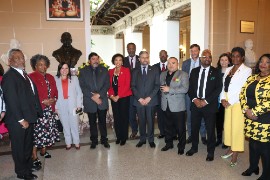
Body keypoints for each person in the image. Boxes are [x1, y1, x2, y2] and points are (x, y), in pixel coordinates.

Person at [2, 49, 43, 179]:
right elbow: (11, 100)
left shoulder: (23, 74)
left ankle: (28, 165)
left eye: (22, 57)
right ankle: (22, 172)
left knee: (27, 145)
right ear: (9, 61)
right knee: (19, 147)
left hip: (28, 117)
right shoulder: (9, 77)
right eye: (16, 58)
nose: (20, 60)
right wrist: (21, 119)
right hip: (17, 120)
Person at [186, 49, 222, 162]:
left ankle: (210, 152)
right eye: (205, 57)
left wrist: (205, 101)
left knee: (210, 130)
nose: (207, 59)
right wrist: (194, 99)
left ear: (211, 59)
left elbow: (218, 89)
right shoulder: (194, 71)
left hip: (209, 105)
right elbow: (190, 88)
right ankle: (194, 147)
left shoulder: (216, 72)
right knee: (194, 127)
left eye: (209, 57)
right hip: (195, 104)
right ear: (201, 58)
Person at [220, 47, 252, 167]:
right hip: (227, 101)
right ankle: (231, 148)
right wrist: (223, 99)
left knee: (237, 129)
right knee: (228, 127)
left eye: (238, 56)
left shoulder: (247, 70)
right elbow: (224, 86)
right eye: (233, 56)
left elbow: (243, 89)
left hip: (238, 102)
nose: (235, 58)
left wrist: (230, 101)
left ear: (242, 57)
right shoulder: (228, 69)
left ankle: (235, 154)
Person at [240, 54, 270, 180]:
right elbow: (242, 93)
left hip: (264, 118)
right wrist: (246, 110)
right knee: (252, 145)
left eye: (267, 62)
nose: (263, 64)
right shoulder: (252, 78)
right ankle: (253, 167)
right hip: (249, 117)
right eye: (261, 61)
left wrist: (255, 112)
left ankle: (267, 175)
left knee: (264, 148)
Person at [29, 54, 60, 167]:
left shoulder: (51, 77)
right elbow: (30, 94)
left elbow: (56, 92)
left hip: (49, 110)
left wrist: (53, 99)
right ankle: (34, 156)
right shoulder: (30, 77)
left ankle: (43, 150)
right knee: (37, 134)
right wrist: (42, 101)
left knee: (47, 131)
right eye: (40, 64)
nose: (43, 67)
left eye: (45, 64)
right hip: (38, 110)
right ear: (35, 66)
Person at [78, 52, 110, 149]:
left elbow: (107, 84)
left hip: (102, 99)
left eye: (97, 59)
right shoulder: (83, 71)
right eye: (93, 59)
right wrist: (93, 97)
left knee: (103, 122)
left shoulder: (104, 70)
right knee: (92, 122)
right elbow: (82, 86)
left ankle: (104, 140)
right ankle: (94, 140)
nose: (95, 61)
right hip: (90, 100)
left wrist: (99, 95)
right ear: (89, 61)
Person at [160, 57, 189, 155]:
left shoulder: (183, 74)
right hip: (165, 104)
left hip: (178, 106)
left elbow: (185, 89)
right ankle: (169, 143)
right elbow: (161, 87)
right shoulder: (163, 74)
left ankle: (181, 146)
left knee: (180, 128)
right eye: (169, 63)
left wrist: (170, 89)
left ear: (177, 64)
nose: (170, 65)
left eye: (173, 63)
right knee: (167, 127)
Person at [131, 50, 160, 148]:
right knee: (141, 121)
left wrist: (149, 97)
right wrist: (139, 98)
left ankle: (151, 140)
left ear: (149, 58)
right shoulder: (135, 70)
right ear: (139, 59)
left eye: (147, 57)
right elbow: (133, 86)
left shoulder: (155, 69)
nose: (145, 59)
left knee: (151, 121)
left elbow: (157, 85)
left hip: (151, 101)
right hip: (139, 101)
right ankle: (142, 139)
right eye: (143, 57)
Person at [182, 44, 207, 145]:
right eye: (191, 51)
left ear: (199, 51)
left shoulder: (203, 62)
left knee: (202, 115)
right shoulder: (185, 63)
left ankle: (203, 135)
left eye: (195, 51)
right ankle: (191, 135)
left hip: (201, 93)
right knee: (189, 115)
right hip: (189, 93)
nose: (193, 53)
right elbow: (183, 77)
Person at [55, 63, 82, 150]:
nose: (64, 70)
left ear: (69, 70)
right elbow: (53, 95)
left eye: (66, 68)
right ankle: (68, 143)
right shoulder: (55, 79)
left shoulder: (74, 78)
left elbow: (79, 93)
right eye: (62, 68)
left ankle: (77, 142)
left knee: (74, 124)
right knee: (65, 125)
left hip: (73, 105)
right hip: (61, 105)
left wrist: (79, 105)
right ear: (59, 69)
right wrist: (55, 107)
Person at [108, 54, 132, 146]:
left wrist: (119, 96)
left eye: (120, 60)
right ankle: (118, 137)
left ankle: (124, 137)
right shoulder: (110, 71)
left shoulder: (126, 70)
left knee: (123, 118)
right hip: (113, 98)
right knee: (116, 117)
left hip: (124, 97)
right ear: (113, 61)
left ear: (122, 62)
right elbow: (109, 86)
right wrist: (111, 95)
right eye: (116, 60)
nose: (118, 62)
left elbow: (127, 85)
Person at [123, 42, 140, 139]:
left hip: (139, 91)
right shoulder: (123, 60)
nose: (131, 50)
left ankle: (142, 131)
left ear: (135, 49)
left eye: (132, 48)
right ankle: (134, 131)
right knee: (131, 113)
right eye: (129, 49)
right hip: (128, 92)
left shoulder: (140, 59)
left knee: (141, 112)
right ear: (127, 49)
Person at [215, 53, 232, 148]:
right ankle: (219, 139)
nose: (224, 62)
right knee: (218, 121)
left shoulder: (232, 71)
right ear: (219, 61)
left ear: (229, 61)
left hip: (228, 99)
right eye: (222, 60)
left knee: (227, 121)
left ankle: (226, 141)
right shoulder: (215, 71)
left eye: (226, 60)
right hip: (217, 100)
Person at [153, 50, 168, 139]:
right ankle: (162, 132)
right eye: (161, 55)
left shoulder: (171, 65)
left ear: (167, 56)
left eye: (164, 55)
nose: (163, 56)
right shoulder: (154, 67)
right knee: (160, 115)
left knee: (169, 114)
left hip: (168, 95)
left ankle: (170, 132)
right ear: (159, 56)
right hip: (157, 95)